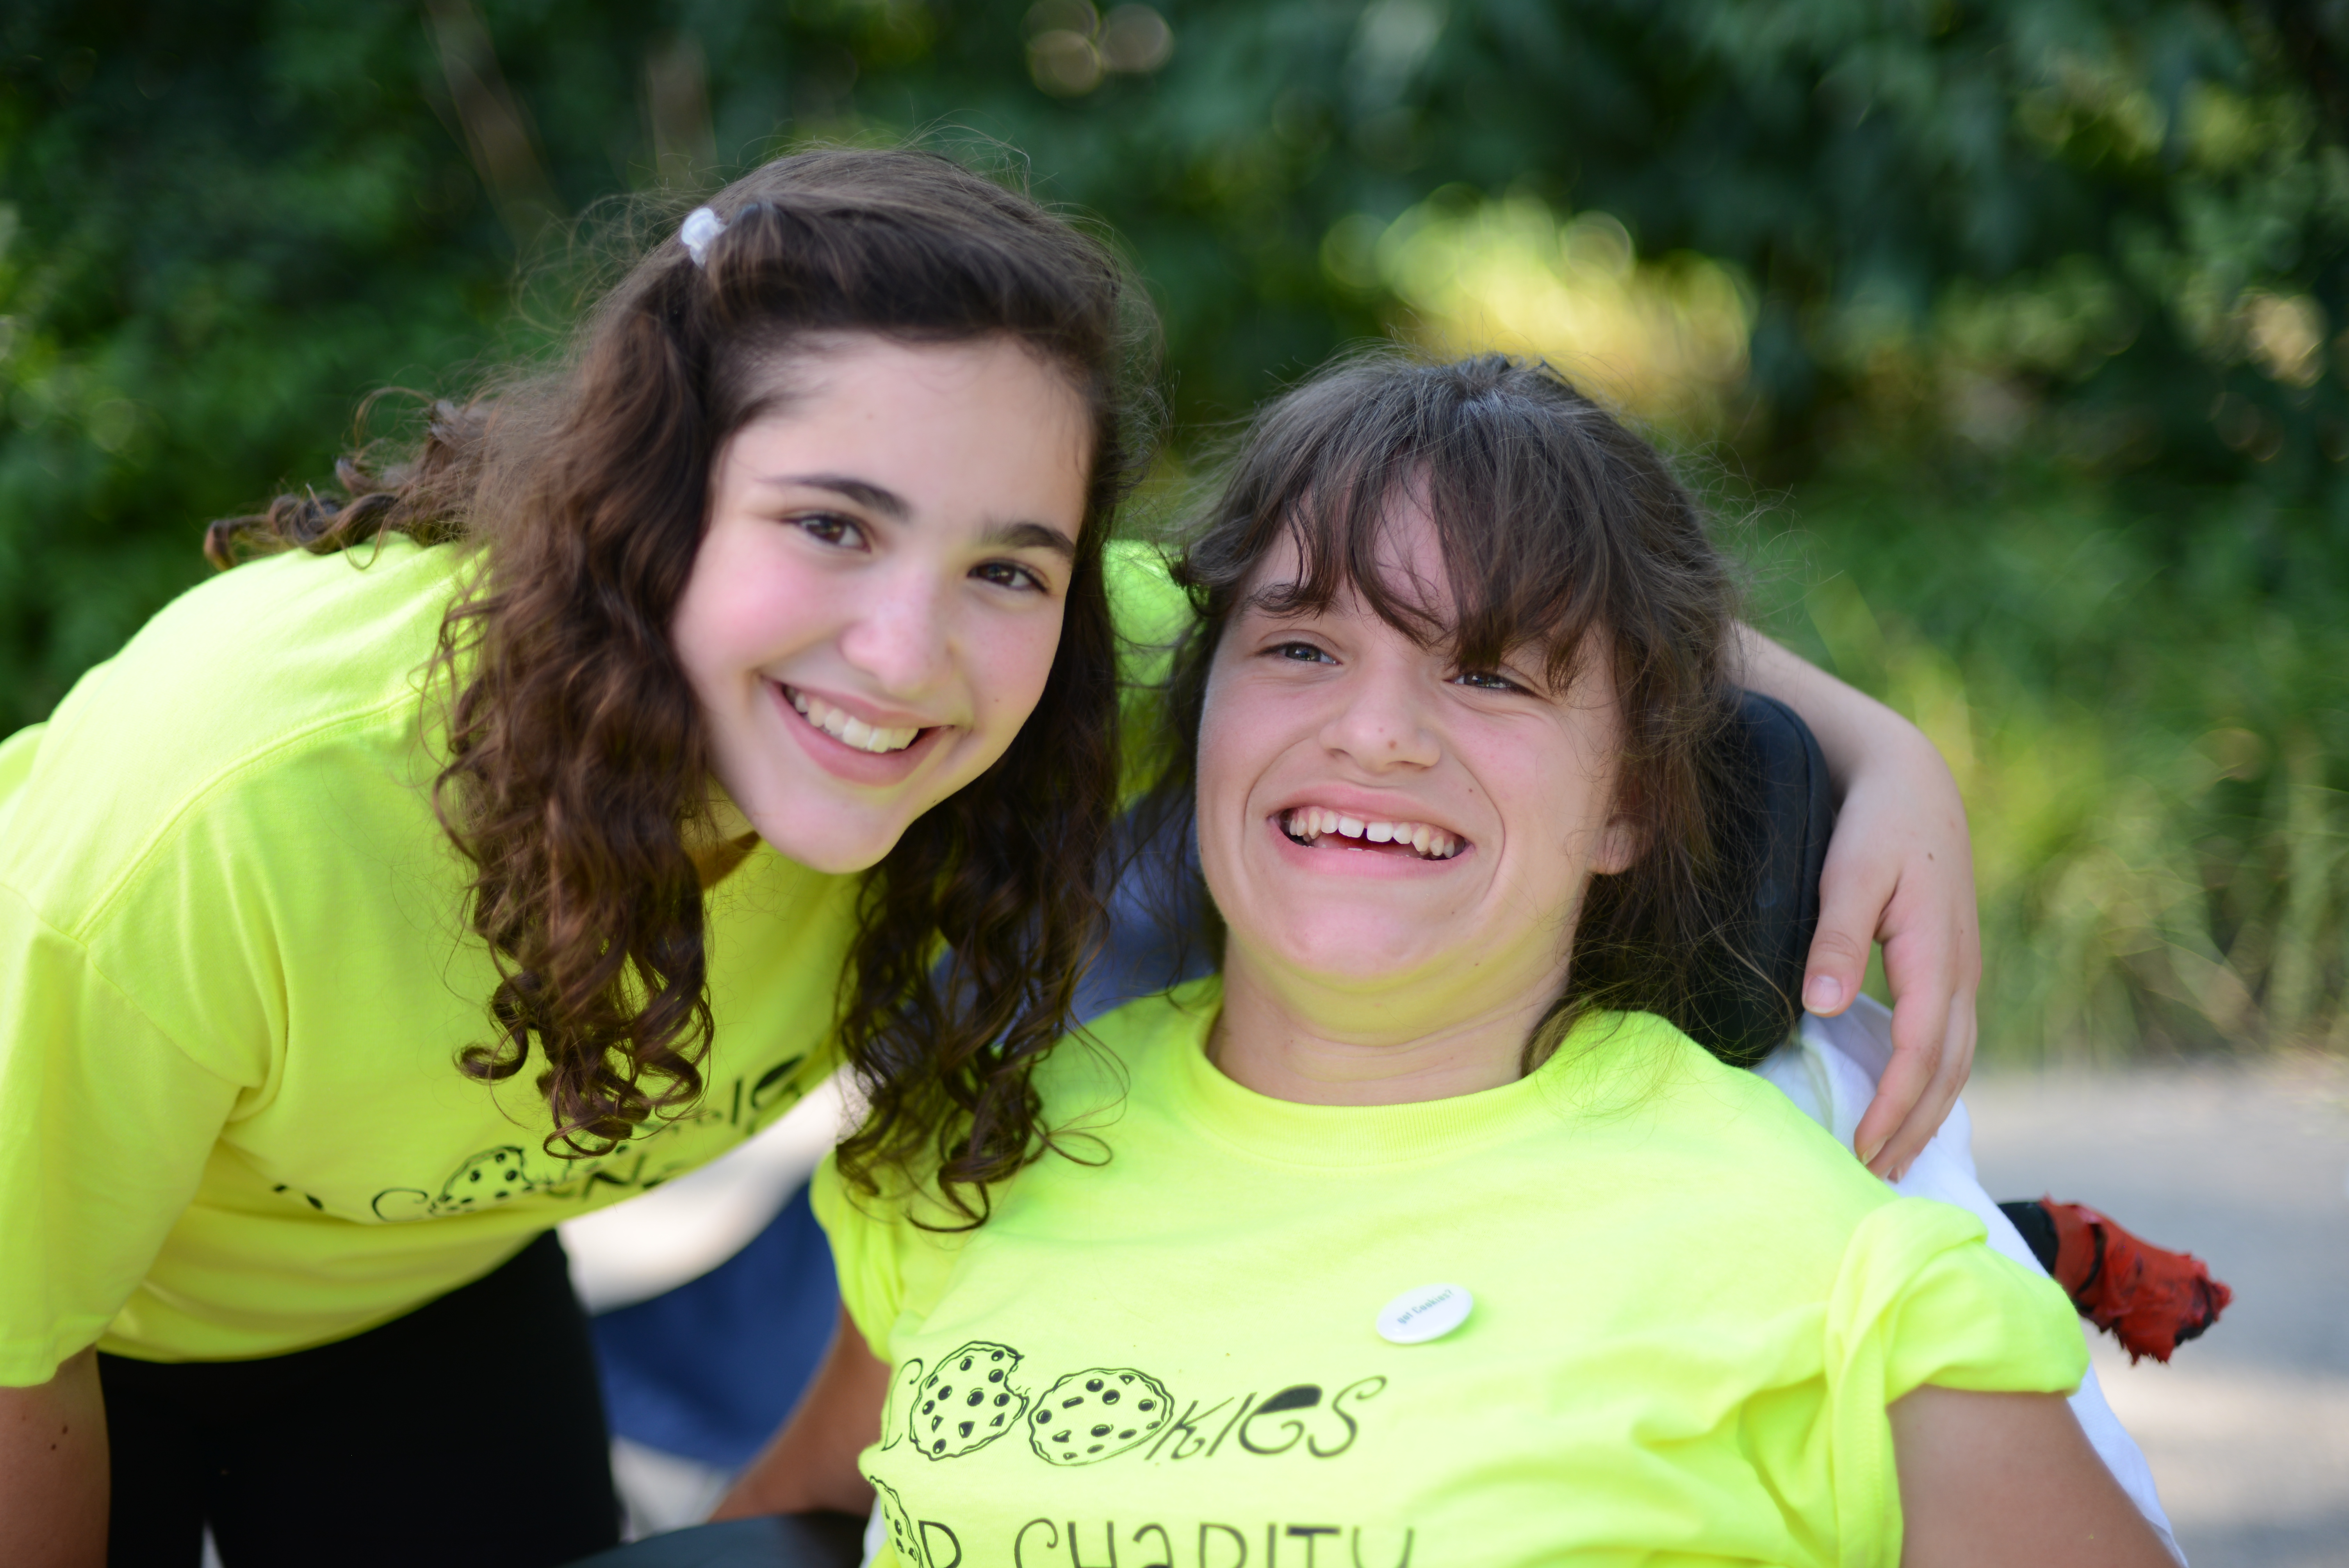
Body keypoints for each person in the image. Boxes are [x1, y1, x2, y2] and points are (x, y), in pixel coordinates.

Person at [0, 148, 1975, 1565]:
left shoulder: (1058, 676)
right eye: (833, 525)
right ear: (651, 501)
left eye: (1004, 563)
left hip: (402, 1290)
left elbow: (1456, 596)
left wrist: (1881, 749)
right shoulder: (232, 808)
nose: (906, 653)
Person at [719, 354, 2173, 1567]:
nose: (1376, 732)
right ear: (1201, 708)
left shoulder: (1829, 1263)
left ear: (1627, 801)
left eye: (1487, 674)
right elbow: (780, 1527)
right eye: (1299, 649)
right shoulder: (986, 1146)